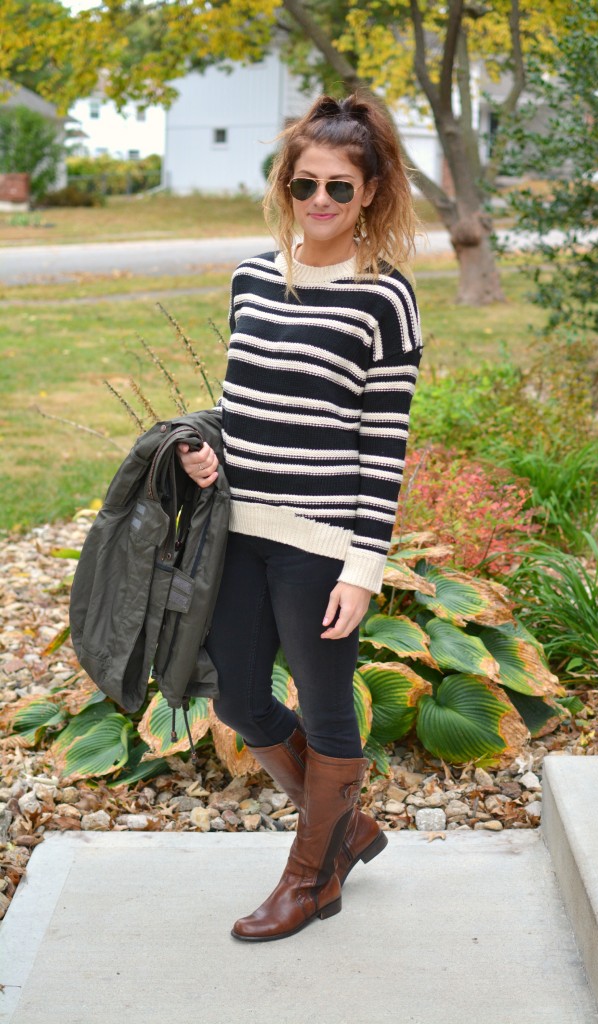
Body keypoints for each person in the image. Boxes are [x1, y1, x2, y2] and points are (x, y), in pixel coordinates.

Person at [175, 92, 423, 942]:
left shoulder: (385, 299)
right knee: (241, 701)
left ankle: (310, 880)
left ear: (372, 193)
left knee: (324, 712)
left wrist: (364, 567)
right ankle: (345, 830)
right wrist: (207, 451)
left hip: (319, 548)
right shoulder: (252, 275)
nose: (318, 202)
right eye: (302, 185)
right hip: (239, 532)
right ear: (284, 186)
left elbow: (382, 443)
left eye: (338, 189)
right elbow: (241, 402)